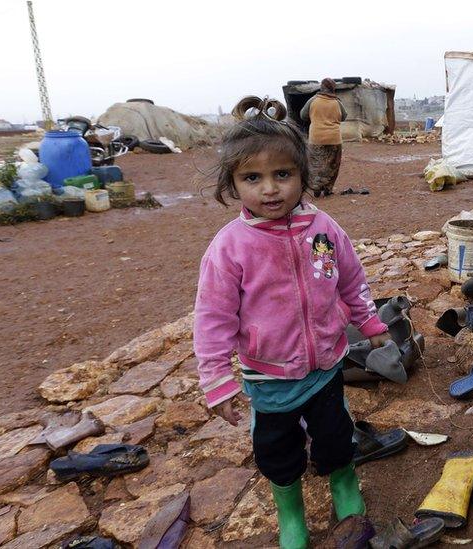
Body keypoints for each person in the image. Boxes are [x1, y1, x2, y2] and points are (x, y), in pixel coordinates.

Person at [193, 98, 390, 549]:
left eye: (282, 174)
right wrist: (216, 379)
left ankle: (343, 485)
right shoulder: (229, 248)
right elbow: (212, 319)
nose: (270, 189)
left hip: (325, 365)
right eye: (252, 178)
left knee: (336, 436)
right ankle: (291, 512)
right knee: (278, 451)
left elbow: (351, 280)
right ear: (232, 184)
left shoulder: (324, 228)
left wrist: (371, 324)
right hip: (269, 375)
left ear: (303, 174)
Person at [301, 78, 347, 197]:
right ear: (333, 88)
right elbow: (344, 116)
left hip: (316, 138)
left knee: (316, 163)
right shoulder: (337, 102)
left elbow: (303, 115)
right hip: (334, 138)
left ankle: (316, 187)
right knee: (333, 164)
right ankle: (327, 188)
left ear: (321, 87)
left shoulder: (313, 100)